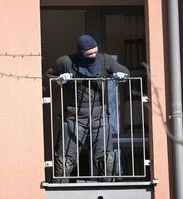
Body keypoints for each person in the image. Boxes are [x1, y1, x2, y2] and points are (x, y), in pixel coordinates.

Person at [47, 34, 130, 183]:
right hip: (74, 117)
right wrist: (60, 80)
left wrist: (122, 76)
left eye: (95, 52)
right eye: (89, 54)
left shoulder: (104, 59)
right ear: (80, 53)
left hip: (99, 115)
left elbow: (126, 72)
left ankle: (108, 189)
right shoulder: (66, 62)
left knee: (106, 157)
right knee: (65, 158)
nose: (93, 56)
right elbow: (48, 77)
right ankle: (59, 190)